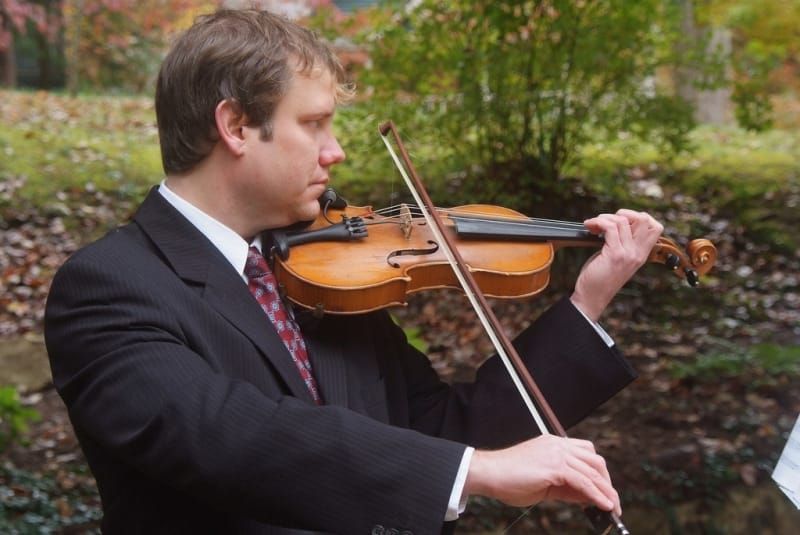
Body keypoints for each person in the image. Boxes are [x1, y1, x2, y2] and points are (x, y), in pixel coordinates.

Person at [44, 9, 664, 535]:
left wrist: (588, 301)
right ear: (235, 126)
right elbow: (229, 437)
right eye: (314, 123)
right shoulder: (109, 287)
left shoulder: (320, 273)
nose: (335, 150)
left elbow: (447, 429)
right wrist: (472, 472)